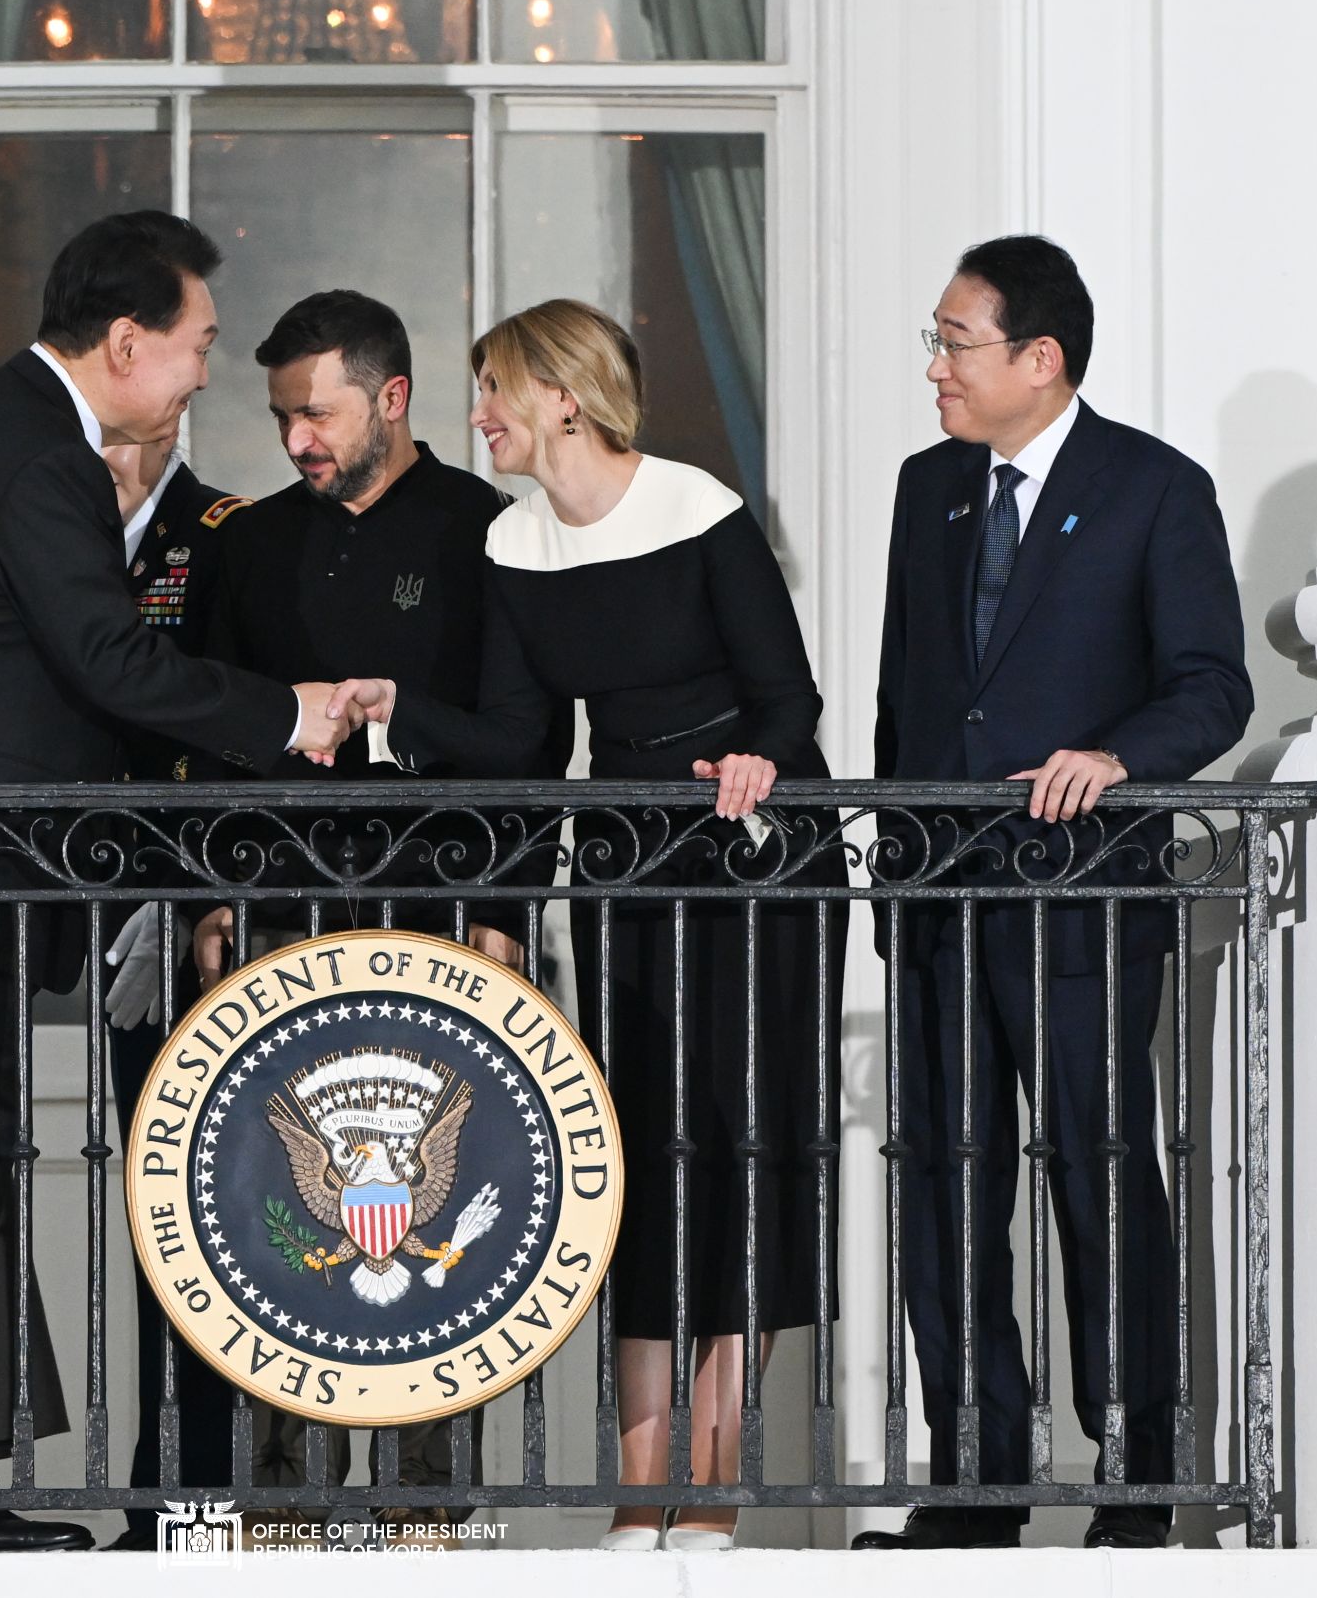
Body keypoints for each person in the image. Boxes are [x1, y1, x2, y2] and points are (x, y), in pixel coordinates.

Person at [0, 211, 352, 1553]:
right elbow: (108, 660)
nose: (204, 371)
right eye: (198, 343)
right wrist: (290, 710)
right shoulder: (38, 453)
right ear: (125, 341)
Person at [327, 298, 846, 1553]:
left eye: (495, 388)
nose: (479, 414)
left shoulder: (701, 509)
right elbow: (516, 741)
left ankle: (716, 1475)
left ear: (564, 394)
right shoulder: (512, 541)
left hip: (758, 861)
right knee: (637, 1153)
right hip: (622, 863)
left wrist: (754, 764)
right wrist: (399, 707)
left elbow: (791, 695)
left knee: (742, 1141)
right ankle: (638, 1480)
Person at [856, 236, 1252, 1552]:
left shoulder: (1153, 489)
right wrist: (892, 878)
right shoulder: (930, 490)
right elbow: (907, 695)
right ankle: (973, 1479)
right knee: (945, 1187)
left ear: (1042, 358)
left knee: (1098, 1176)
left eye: (955, 342)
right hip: (936, 904)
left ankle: (1136, 1480)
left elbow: (1213, 686)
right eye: (936, 338)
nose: (935, 367)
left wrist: (1117, 756)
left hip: (1080, 902)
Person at [178, 288, 564, 1529]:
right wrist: (210, 897)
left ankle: (425, 1506)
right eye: (282, 411)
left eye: (318, 410)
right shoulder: (241, 545)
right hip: (278, 918)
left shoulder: (488, 532)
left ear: (391, 398)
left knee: (431, 1214)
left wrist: (504, 907)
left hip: (441, 921)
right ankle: (281, 1505)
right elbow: (206, 736)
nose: (297, 435)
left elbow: (532, 744)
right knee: (270, 1209)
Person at [95, 435, 249, 1553]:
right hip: (115, 910)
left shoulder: (228, 532)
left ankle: (242, 1495)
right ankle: (170, 1505)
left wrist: (215, 886)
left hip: (222, 908)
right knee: (164, 1222)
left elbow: (241, 716)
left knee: (247, 1222)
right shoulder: (52, 537)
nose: (113, 450)